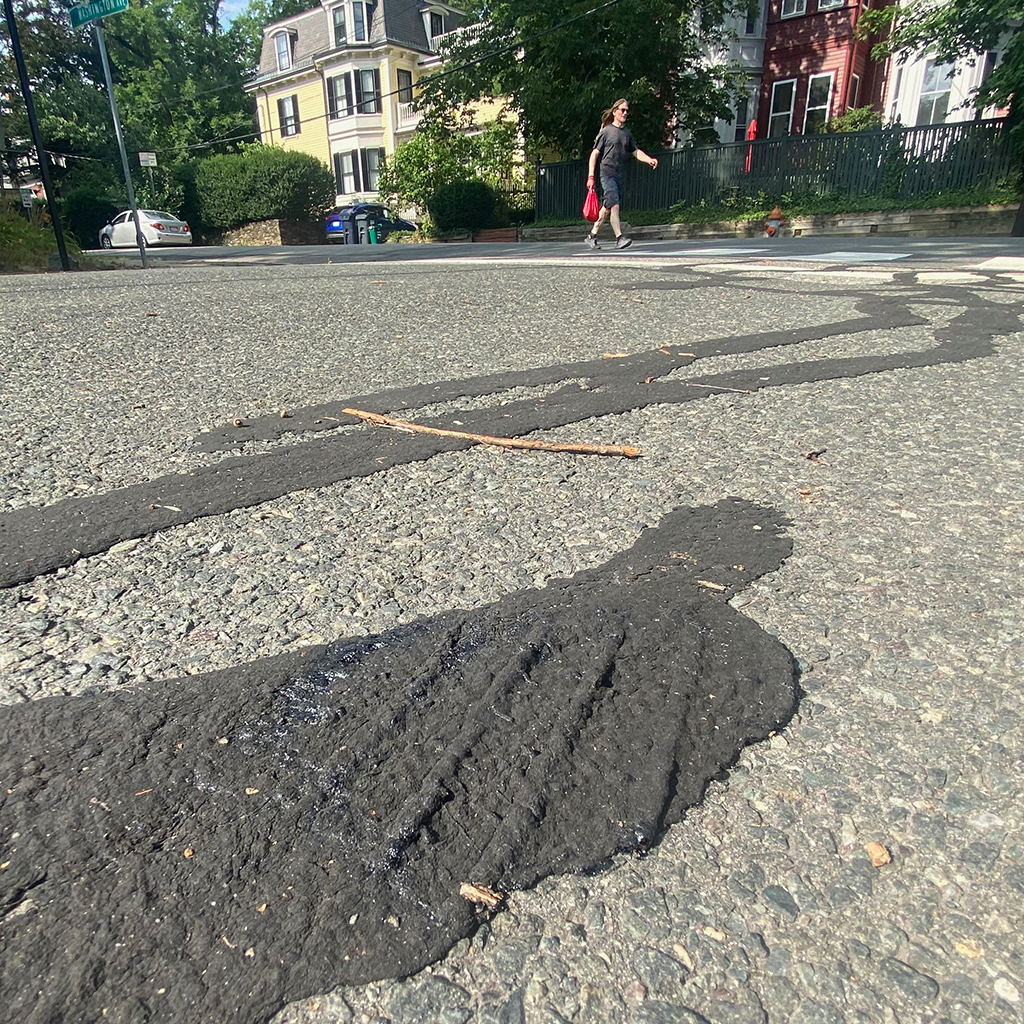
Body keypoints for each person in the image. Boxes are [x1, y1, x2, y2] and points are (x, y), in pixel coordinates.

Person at [585, 99, 658, 250]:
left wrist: (649, 159)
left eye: (627, 111)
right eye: (622, 110)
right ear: (614, 112)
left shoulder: (626, 134)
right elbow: (594, 154)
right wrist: (591, 177)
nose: (625, 113)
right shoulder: (606, 132)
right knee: (615, 204)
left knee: (608, 206)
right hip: (607, 173)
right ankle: (619, 238)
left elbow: (635, 152)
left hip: (619, 174)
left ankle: (592, 235)